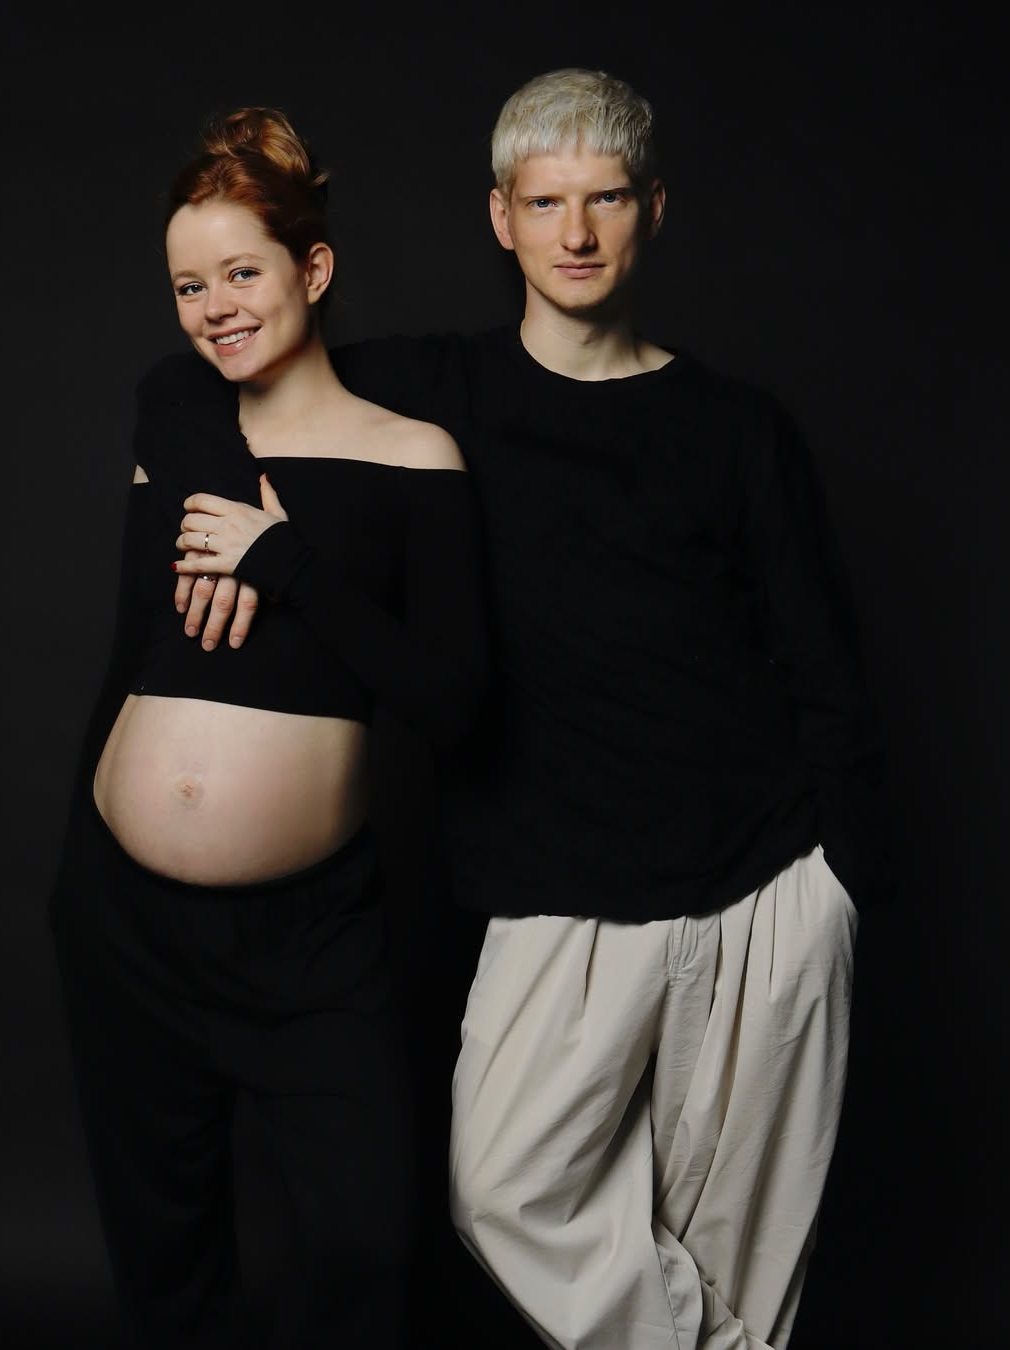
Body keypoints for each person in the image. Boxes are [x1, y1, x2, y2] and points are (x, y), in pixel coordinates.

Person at [172, 69, 887, 1350]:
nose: (577, 233)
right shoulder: (435, 388)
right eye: (546, 202)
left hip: (764, 886)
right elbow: (212, 375)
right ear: (501, 217)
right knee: (504, 1190)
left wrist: (838, 886)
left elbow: (827, 670)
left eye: (605, 198)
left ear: (652, 209)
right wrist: (253, 537)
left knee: (736, 1252)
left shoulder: (740, 430)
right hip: (554, 888)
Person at [48, 106, 487, 1350]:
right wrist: (72, 877)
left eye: (242, 273)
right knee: (166, 1260)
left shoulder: (414, 456)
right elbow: (132, 655)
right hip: (125, 923)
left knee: (363, 1244)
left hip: (310, 942)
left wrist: (285, 561)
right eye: (189, 286)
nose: (214, 308)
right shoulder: (177, 441)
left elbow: (455, 705)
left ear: (315, 267)